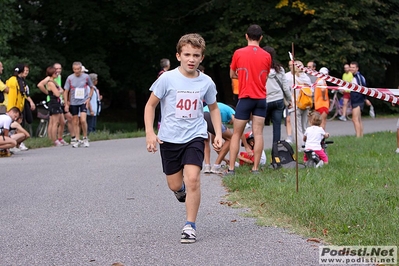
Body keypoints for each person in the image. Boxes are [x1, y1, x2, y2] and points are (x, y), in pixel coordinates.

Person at [144, 33, 222, 244]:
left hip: (195, 135)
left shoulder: (206, 82)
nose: (191, 59)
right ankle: (180, 191)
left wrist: (218, 134)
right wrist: (150, 133)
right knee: (174, 184)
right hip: (169, 138)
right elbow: (150, 105)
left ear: (201, 58)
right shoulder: (167, 79)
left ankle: (190, 225)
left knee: (193, 179)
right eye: (187, 54)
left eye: (196, 55)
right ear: (178, 56)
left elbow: (213, 108)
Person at [227, 24, 271, 174]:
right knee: (258, 133)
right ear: (261, 38)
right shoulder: (267, 55)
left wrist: (242, 77)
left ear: (246, 36)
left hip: (245, 97)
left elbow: (232, 74)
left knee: (236, 134)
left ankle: (231, 168)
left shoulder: (238, 53)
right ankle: (256, 168)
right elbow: (265, 76)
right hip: (261, 98)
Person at [263, 46, 292, 144]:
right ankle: (276, 152)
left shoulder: (261, 69)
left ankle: (258, 150)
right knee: (277, 127)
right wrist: (290, 100)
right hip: (278, 100)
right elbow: (285, 87)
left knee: (258, 127)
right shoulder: (280, 69)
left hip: (265, 100)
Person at [63, 62, 94, 148]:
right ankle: (77, 139)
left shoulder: (86, 77)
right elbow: (66, 91)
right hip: (73, 102)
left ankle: (85, 137)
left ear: (81, 69)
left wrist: (89, 98)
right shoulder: (70, 78)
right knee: (75, 121)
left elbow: (92, 87)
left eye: (78, 69)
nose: (77, 71)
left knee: (83, 120)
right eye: (75, 69)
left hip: (83, 101)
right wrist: (66, 103)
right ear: (73, 69)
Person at [6, 64, 34, 151]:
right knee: (14, 127)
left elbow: (23, 94)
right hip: (13, 107)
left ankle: (18, 144)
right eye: (24, 70)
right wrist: (14, 109)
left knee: (20, 125)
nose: (25, 72)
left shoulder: (21, 81)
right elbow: (13, 95)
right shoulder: (13, 80)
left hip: (19, 106)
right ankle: (11, 144)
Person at [203, 102, 236, 174]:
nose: (230, 123)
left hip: (202, 116)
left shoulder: (222, 110)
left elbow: (213, 142)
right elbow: (238, 132)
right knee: (231, 138)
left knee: (206, 141)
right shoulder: (233, 112)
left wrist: (225, 159)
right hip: (210, 116)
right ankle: (216, 166)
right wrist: (246, 146)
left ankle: (207, 166)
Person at [289, 60, 312, 149]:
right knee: (304, 127)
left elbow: (288, 91)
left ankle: (301, 148)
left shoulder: (292, 78)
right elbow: (311, 91)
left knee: (297, 128)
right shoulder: (306, 78)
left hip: (295, 105)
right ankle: (309, 145)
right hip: (305, 104)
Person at [349, 61, 366, 137]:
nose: (351, 69)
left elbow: (363, 88)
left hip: (357, 100)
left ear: (357, 68)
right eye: (351, 67)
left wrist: (364, 98)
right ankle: (361, 135)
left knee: (355, 119)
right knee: (358, 119)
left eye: (353, 67)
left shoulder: (358, 77)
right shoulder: (355, 76)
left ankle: (358, 136)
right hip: (356, 99)